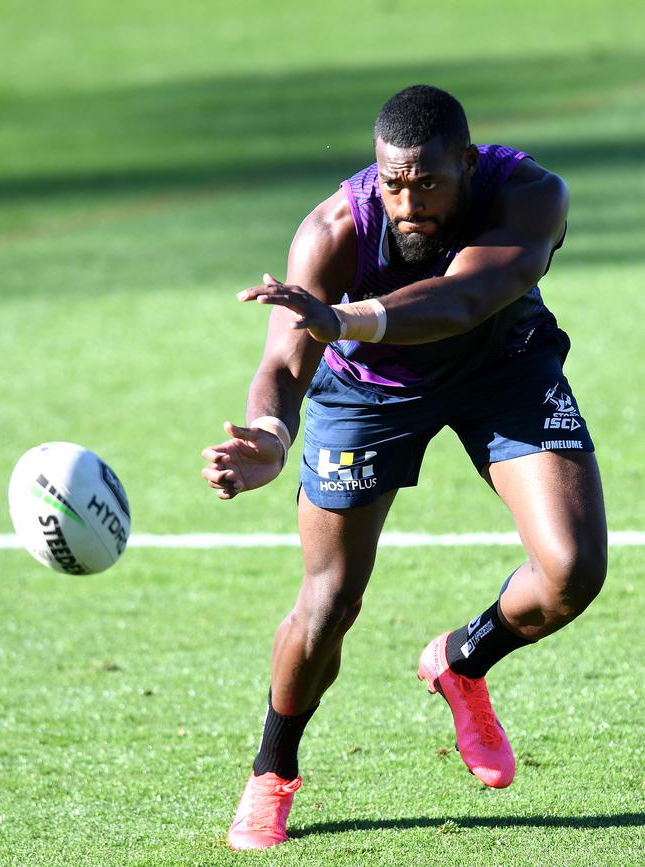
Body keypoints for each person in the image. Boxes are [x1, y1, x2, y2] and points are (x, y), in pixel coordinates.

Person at [202, 85, 607, 851]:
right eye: (394, 183)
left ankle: (462, 660)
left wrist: (345, 318)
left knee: (571, 571)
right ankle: (272, 770)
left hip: (504, 364)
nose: (409, 202)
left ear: (468, 162)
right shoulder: (332, 231)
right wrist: (268, 437)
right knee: (328, 604)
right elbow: (286, 365)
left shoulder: (529, 194)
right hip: (369, 393)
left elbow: (465, 298)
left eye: (428, 182)